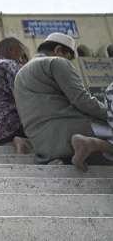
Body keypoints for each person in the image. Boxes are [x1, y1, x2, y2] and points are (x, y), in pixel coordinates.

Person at [15, 32, 112, 170]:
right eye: (69, 57)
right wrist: (110, 114)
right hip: (70, 133)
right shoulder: (56, 62)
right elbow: (82, 100)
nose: (69, 62)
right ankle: (89, 143)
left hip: (44, 146)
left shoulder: (21, 73)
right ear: (58, 50)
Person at [0, 37, 32, 154]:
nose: (21, 57)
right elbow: (21, 96)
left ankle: (16, 140)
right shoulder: (10, 65)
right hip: (12, 125)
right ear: (11, 50)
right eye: (20, 52)